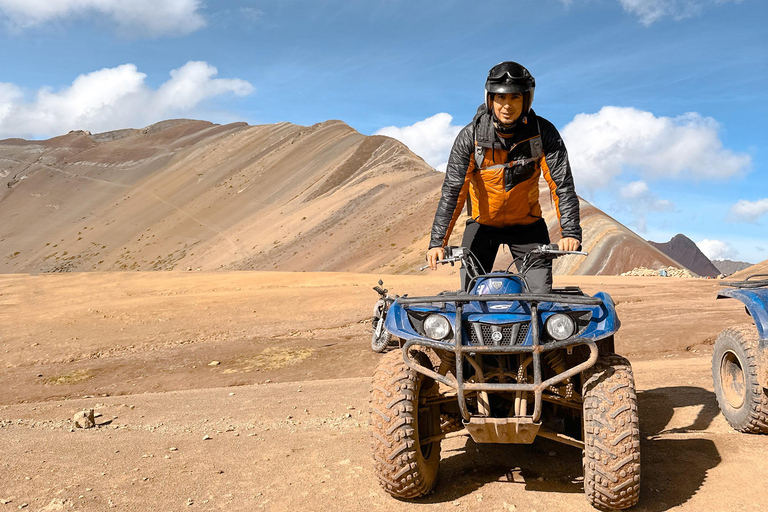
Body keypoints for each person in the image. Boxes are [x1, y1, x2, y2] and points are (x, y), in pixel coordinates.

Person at [425, 61, 582, 293]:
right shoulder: (471, 137)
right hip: (482, 226)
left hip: (527, 226)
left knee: (539, 297)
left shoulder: (543, 133)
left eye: (515, 98)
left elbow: (562, 186)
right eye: (500, 98)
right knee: (472, 298)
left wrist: (570, 232)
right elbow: (453, 192)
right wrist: (437, 243)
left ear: (526, 100)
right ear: (490, 100)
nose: (507, 105)